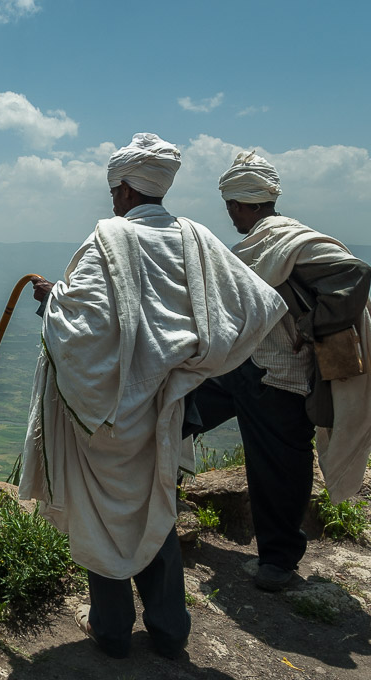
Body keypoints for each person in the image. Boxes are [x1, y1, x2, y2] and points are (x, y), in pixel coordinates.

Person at [19, 133, 286, 659]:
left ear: (122, 189)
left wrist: (55, 301)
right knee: (156, 504)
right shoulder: (196, 237)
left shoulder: (109, 238)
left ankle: (114, 632)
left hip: (109, 411)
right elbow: (258, 304)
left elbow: (85, 328)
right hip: (164, 406)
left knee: (103, 514)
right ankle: (169, 631)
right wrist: (193, 366)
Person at [182, 151, 371, 592]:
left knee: (278, 466)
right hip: (245, 367)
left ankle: (279, 560)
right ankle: (160, 490)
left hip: (281, 377)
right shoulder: (265, 243)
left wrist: (310, 326)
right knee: (181, 406)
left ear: (242, 204)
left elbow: (354, 274)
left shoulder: (288, 242)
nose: (230, 214)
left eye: (232, 205)